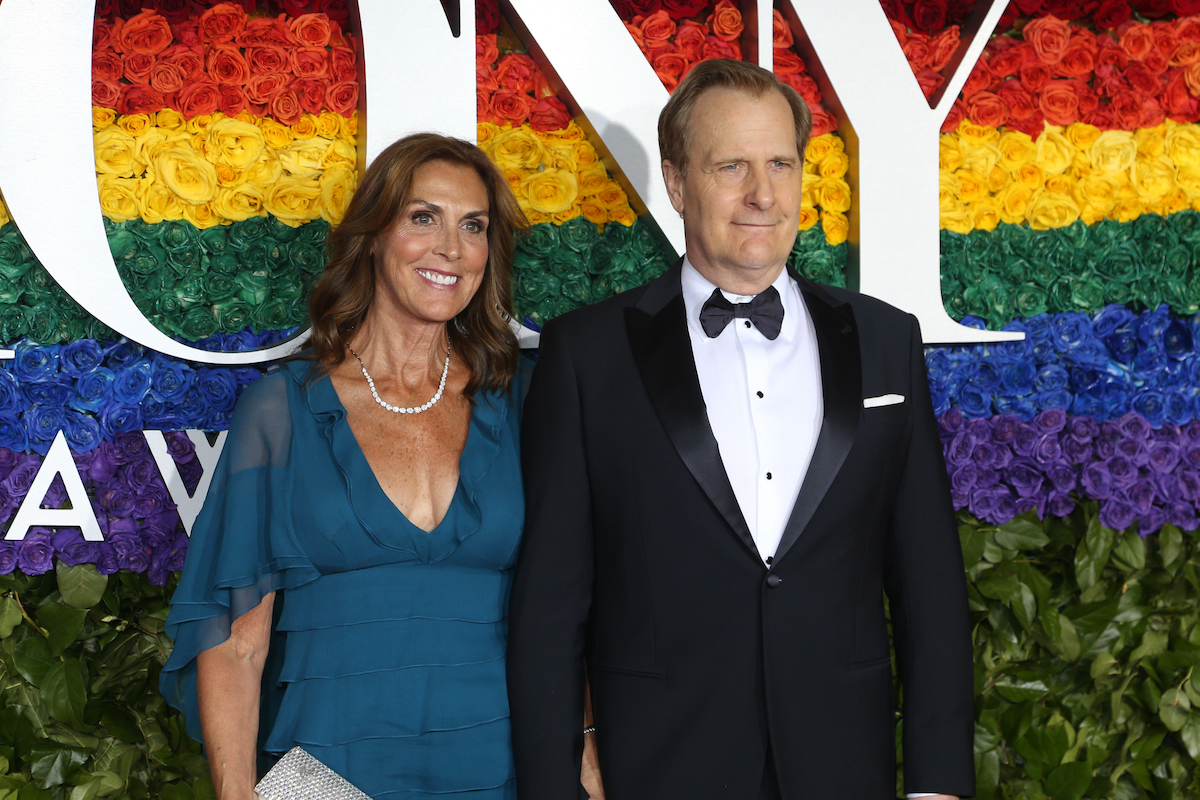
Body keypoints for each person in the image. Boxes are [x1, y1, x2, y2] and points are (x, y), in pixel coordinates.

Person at [507, 59, 975, 800]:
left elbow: (928, 581)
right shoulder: (587, 354)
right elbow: (550, 603)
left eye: (781, 164)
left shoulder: (886, 339)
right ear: (678, 181)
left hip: (841, 764)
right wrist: (556, 776)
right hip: (656, 765)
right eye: (731, 166)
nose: (762, 194)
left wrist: (937, 782)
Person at [160, 133, 531, 800]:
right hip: (322, 777)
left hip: (504, 762)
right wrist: (237, 793)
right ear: (372, 236)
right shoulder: (282, 412)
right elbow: (237, 640)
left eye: (472, 226)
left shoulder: (527, 400)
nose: (451, 247)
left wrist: (587, 761)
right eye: (424, 218)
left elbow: (581, 605)